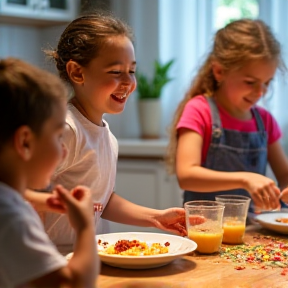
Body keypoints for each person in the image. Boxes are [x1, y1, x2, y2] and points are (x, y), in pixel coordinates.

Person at [25, 11, 186, 254]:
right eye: (115, 72)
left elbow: (103, 201)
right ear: (77, 73)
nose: (128, 82)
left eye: (131, 71)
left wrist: (156, 218)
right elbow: (23, 196)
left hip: (87, 258)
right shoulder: (67, 130)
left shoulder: (107, 136)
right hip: (54, 262)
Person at [166, 18, 288, 214]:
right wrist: (245, 179)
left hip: (252, 232)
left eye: (267, 83)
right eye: (250, 82)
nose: (260, 92)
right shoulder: (199, 110)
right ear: (219, 71)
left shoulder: (264, 121)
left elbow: (284, 174)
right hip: (205, 230)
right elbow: (187, 174)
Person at [0, 58, 98, 288]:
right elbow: (75, 284)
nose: (63, 150)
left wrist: (41, 200)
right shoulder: (12, 219)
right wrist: (84, 227)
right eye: (57, 137)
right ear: (25, 142)